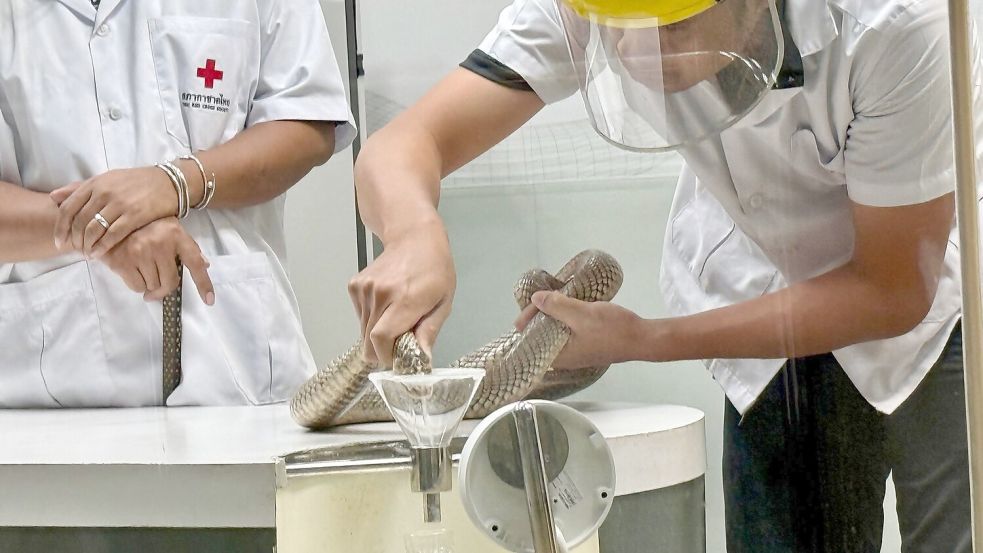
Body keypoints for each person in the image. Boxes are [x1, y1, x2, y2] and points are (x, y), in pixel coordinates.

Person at [348, 0, 976, 550]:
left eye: (674, 29)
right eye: (624, 29)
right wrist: (413, 234)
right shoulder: (596, 4)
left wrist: (646, 339)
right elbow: (404, 146)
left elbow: (891, 290)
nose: (640, 53)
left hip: (937, 305)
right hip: (758, 292)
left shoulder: (897, 21)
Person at [0, 0, 355, 407]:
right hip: (48, 392)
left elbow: (306, 123)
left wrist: (176, 182)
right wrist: (102, 229)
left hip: (235, 371)